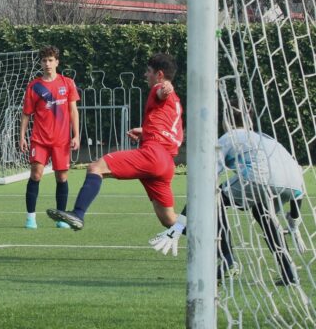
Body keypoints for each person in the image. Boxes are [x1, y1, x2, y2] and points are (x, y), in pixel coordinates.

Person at [149, 98, 307, 286]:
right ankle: (289, 273)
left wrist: (177, 226)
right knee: (262, 212)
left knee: (214, 198)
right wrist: (294, 223)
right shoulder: (266, 138)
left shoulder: (230, 137)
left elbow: (205, 184)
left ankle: (227, 259)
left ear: (226, 119)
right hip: (294, 183)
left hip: (259, 177)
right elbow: (298, 188)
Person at [46, 53, 185, 233]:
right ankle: (214, 236)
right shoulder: (177, 104)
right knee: (170, 220)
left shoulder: (158, 88)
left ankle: (78, 214)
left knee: (96, 167)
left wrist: (166, 87)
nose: (145, 75)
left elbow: (162, 91)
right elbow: (170, 131)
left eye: (148, 71)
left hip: (153, 155)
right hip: (166, 163)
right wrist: (145, 132)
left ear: (159, 74)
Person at [20, 45, 80, 229]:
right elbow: (26, 113)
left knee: (62, 178)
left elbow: (73, 111)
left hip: (61, 141)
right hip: (39, 139)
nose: (47, 64)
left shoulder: (67, 83)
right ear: (40, 63)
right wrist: (22, 136)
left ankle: (61, 219)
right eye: (44, 60)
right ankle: (31, 218)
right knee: (36, 175)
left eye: (51, 60)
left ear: (57, 62)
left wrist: (76, 135)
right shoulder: (34, 86)